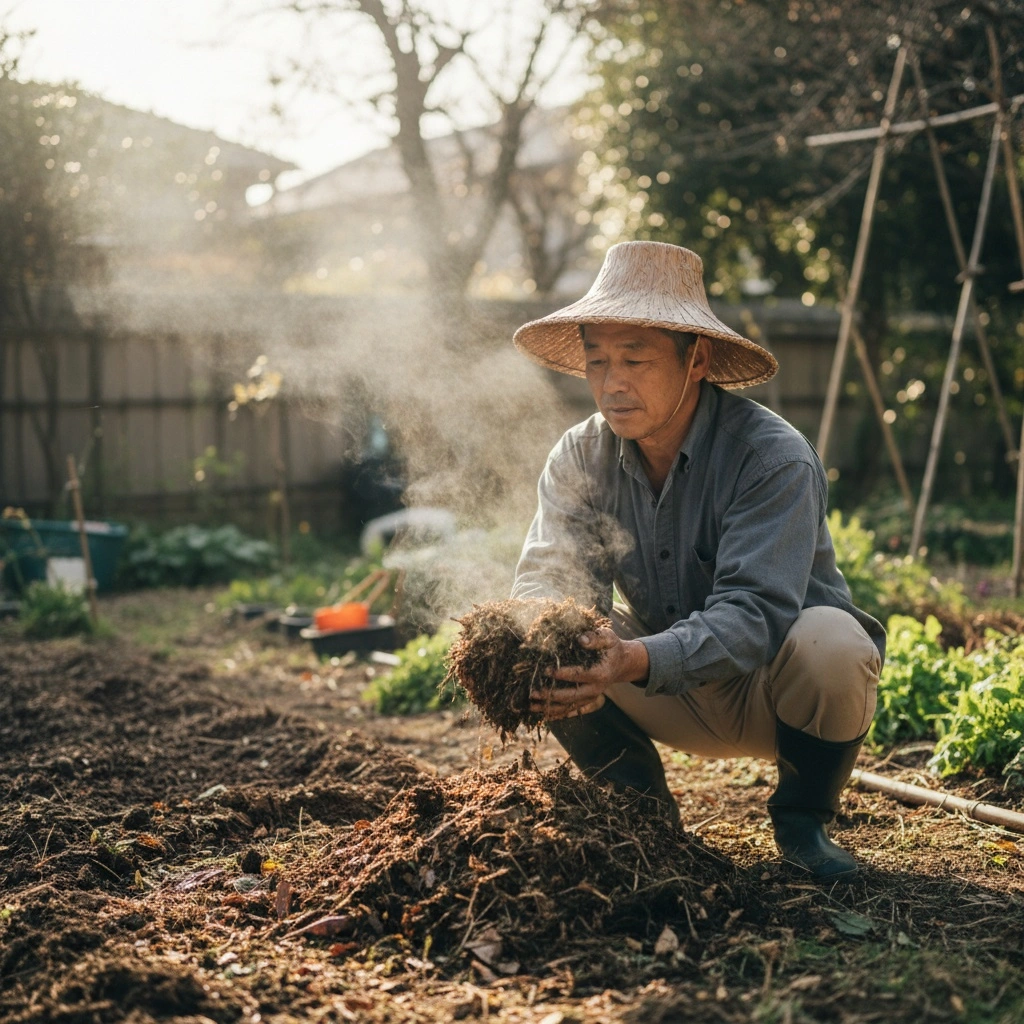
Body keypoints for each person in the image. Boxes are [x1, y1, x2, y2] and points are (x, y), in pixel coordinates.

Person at [509, 240, 885, 881]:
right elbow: (550, 575)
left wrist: (634, 657)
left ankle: (803, 823)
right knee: (543, 634)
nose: (612, 382)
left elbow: (756, 612)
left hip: (773, 695)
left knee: (834, 640)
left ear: (698, 359)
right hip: (657, 688)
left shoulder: (770, 457)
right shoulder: (580, 455)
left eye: (635, 359)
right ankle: (642, 815)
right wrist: (539, 633)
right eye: (597, 361)